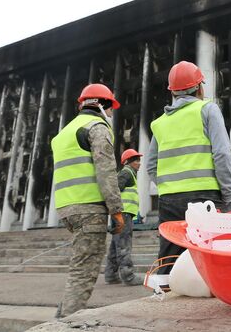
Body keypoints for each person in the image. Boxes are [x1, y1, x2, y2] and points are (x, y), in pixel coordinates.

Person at [147, 60, 231, 274]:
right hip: (204, 196)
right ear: (199, 87)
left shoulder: (160, 122)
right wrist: (228, 195)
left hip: (169, 199)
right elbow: (222, 154)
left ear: (173, 92)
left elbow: (151, 164)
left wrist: (167, 185)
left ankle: (165, 296)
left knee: (169, 258)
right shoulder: (207, 109)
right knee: (210, 254)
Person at [51, 83, 125, 318]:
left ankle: (61, 317)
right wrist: (116, 210)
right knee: (84, 271)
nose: (112, 113)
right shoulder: (97, 127)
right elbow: (106, 171)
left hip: (67, 208)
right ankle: (66, 323)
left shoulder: (64, 133)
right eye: (111, 108)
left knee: (78, 268)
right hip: (89, 209)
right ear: (101, 105)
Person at [105, 149, 144, 286]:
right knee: (124, 244)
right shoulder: (126, 173)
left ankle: (111, 275)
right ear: (127, 162)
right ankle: (128, 276)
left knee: (116, 244)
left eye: (139, 160)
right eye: (136, 160)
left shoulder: (128, 173)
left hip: (120, 214)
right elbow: (115, 189)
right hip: (123, 214)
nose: (139, 163)